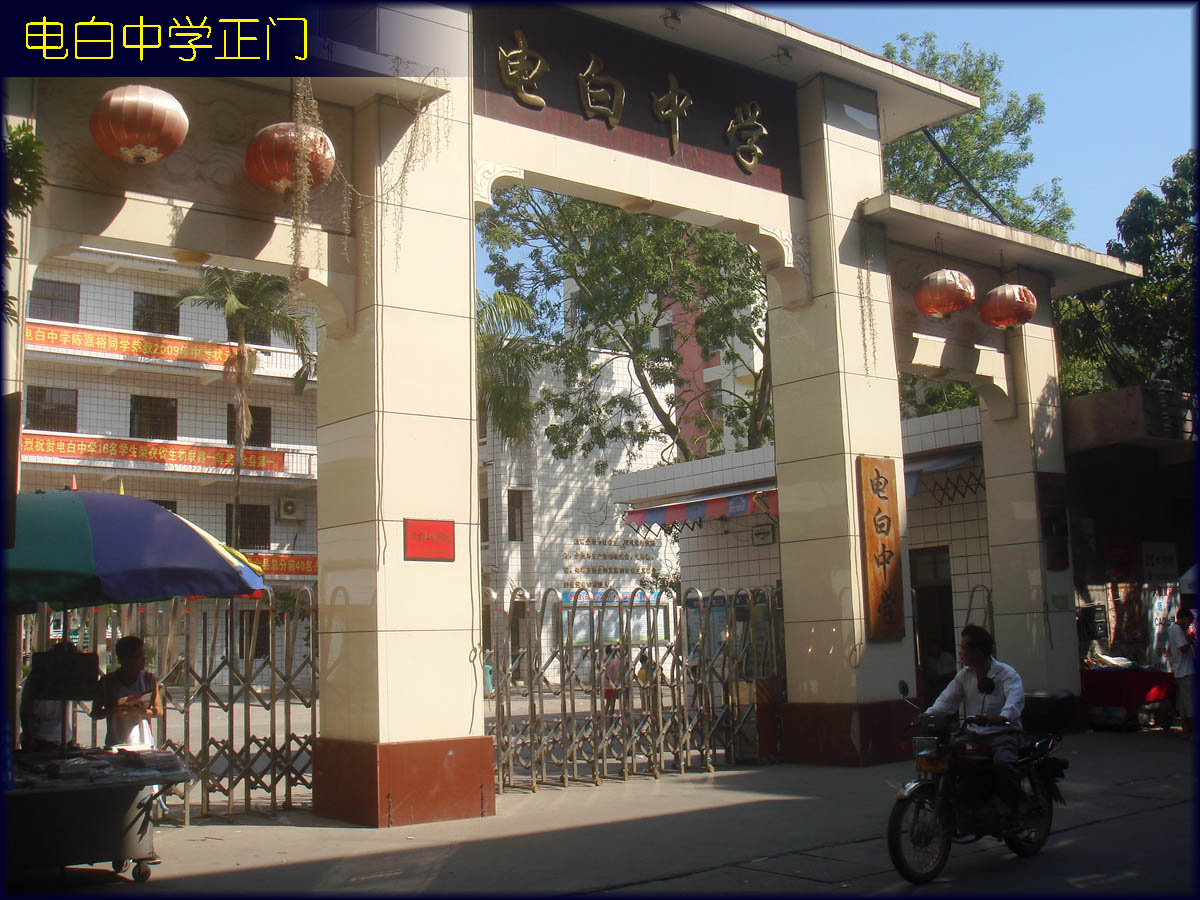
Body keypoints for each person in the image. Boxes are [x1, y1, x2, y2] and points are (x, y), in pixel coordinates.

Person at [922, 624, 1027, 825]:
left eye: (964, 648)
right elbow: (947, 700)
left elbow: (1015, 699)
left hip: (1002, 734)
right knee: (948, 756)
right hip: (973, 734)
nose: (960, 652)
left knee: (1003, 764)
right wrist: (927, 715)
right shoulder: (965, 675)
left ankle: (1015, 809)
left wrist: (1003, 716)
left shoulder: (1006, 673)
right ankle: (963, 805)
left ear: (977, 651)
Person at [91, 635, 164, 747]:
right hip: (115, 742)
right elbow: (95, 713)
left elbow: (159, 711)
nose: (143, 659)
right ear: (125, 659)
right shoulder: (107, 682)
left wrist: (143, 712)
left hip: (144, 741)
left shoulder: (149, 680)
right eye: (138, 656)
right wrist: (112, 711)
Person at [1167, 607, 1194, 740]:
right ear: (1183, 618)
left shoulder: (1176, 630)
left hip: (1181, 670)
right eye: (1188, 621)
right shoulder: (1176, 629)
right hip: (1185, 671)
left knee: (1184, 703)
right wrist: (1190, 639)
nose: (1188, 625)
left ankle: (1186, 730)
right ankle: (1189, 730)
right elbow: (1182, 648)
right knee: (1189, 702)